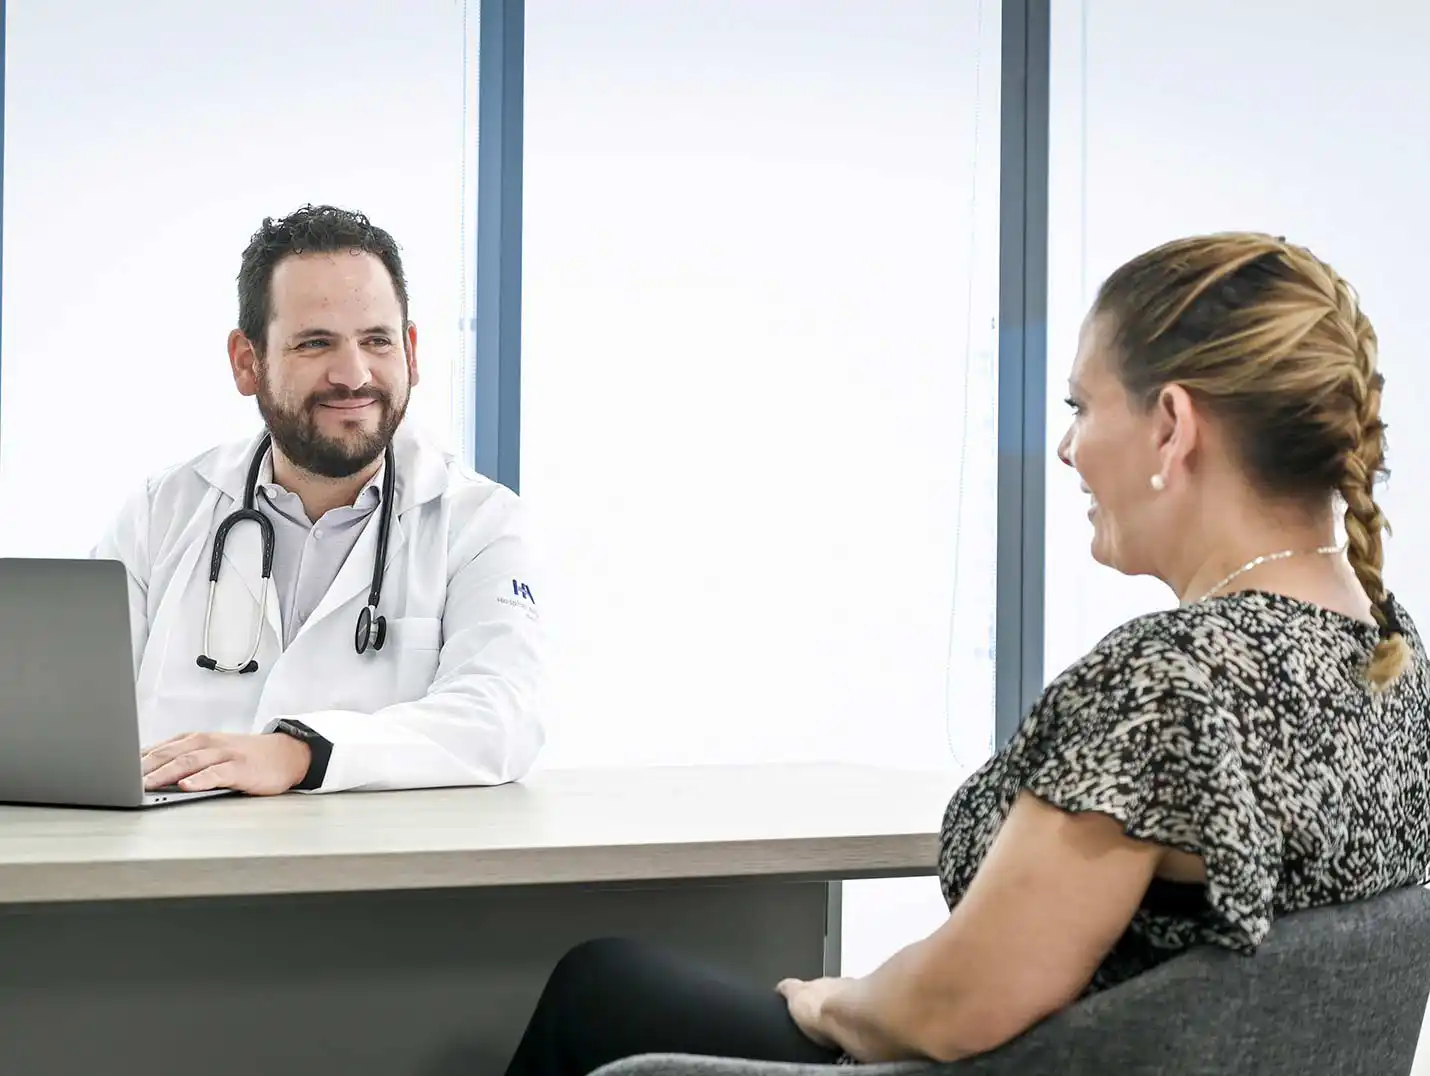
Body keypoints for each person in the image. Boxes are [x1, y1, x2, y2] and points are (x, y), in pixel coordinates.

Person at [500, 232, 1430, 1074]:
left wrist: (840, 1002)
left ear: (1172, 425)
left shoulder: (1176, 680)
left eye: (1082, 405)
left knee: (603, 986)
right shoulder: (1390, 655)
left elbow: (959, 1006)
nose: (1067, 449)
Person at [93, 204, 545, 796]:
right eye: (315, 343)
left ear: (411, 351)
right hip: (171, 870)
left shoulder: (478, 522)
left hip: (374, 877)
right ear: (247, 362)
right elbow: (73, 713)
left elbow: (500, 718)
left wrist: (298, 753)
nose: (353, 374)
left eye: (376, 340)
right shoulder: (163, 512)